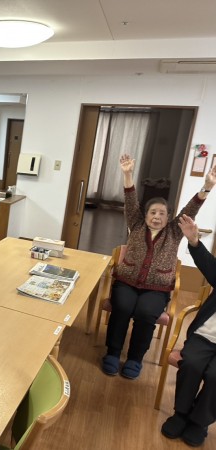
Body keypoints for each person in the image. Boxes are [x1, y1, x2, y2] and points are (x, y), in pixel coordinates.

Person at [101, 154, 216, 380]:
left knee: (146, 313)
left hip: (156, 289)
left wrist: (207, 187)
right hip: (126, 283)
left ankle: (135, 358)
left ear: (169, 217)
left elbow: (191, 209)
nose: (157, 216)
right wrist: (127, 174)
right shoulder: (135, 223)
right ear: (144, 215)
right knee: (122, 307)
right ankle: (113, 353)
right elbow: (130, 200)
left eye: (162, 213)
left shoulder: (174, 231)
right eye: (152, 212)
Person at [161, 215, 216, 446]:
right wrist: (194, 241)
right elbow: (209, 266)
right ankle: (181, 413)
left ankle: (199, 422)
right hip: (206, 335)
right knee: (191, 364)